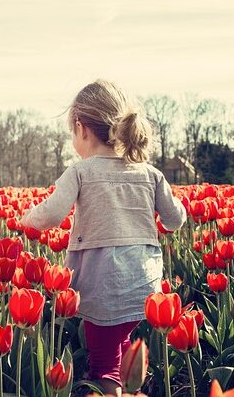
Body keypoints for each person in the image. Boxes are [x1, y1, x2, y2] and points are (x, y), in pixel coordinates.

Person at [20, 80, 186, 396]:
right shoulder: (150, 173)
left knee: (104, 364)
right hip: (145, 285)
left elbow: (51, 215)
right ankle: (129, 386)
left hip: (103, 284)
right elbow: (176, 219)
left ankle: (112, 390)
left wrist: (26, 218)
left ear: (81, 129)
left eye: (72, 132)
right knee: (122, 343)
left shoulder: (81, 171)